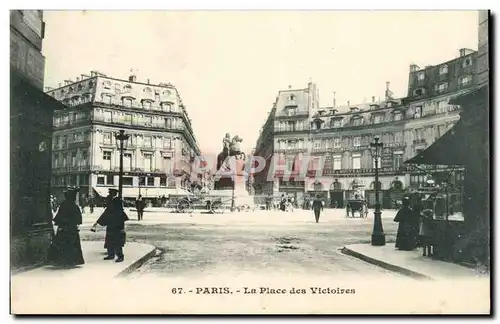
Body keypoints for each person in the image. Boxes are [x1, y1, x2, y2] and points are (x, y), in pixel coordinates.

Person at [47, 186, 85, 267]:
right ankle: (72, 260)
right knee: (72, 245)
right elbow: (78, 219)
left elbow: (59, 217)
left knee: (63, 245)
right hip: (72, 229)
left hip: (63, 228)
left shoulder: (64, 204)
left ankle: (62, 260)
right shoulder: (74, 206)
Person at [91, 188, 129, 262]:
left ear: (113, 194)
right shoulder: (112, 201)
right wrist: (98, 222)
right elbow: (107, 212)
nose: (109, 194)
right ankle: (111, 254)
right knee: (110, 239)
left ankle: (120, 256)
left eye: (110, 193)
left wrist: (120, 225)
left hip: (116, 224)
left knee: (117, 241)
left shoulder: (117, 201)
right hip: (111, 224)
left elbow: (118, 214)